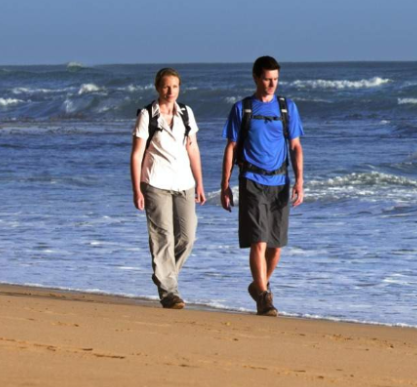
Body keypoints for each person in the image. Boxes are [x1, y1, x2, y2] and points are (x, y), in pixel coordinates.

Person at [220, 55, 304, 316]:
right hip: (252, 181)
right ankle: (265, 297)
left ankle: (259, 286)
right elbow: (231, 148)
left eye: (275, 79)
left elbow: (295, 146)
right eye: (267, 79)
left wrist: (300, 181)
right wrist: (225, 184)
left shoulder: (286, 108)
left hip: (280, 182)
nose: (271, 84)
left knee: (276, 246)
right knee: (259, 241)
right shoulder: (242, 108)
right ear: (256, 77)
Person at [129, 67, 204, 308]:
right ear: (157, 88)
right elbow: (137, 154)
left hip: (185, 183)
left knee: (187, 237)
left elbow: (193, 148)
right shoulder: (147, 115)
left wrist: (200, 182)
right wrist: (137, 189)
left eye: (175, 86)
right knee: (163, 238)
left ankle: (163, 274)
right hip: (155, 183)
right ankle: (169, 293)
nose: (170, 91)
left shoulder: (186, 113)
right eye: (166, 86)